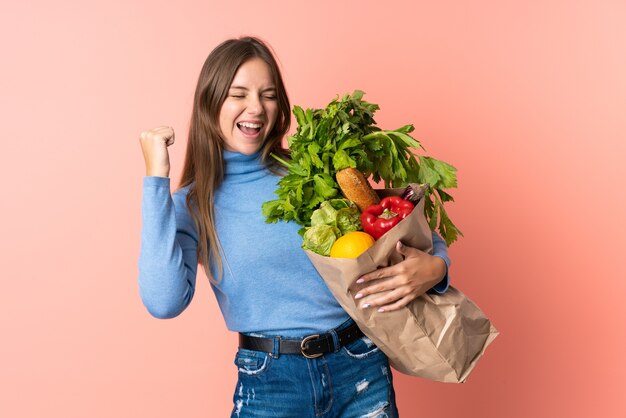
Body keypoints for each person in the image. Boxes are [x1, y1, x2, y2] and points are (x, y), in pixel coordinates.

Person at [138, 36, 451, 418]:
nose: (256, 108)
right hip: (270, 384)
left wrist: (436, 269)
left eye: (268, 95)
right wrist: (157, 178)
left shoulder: (313, 173)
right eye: (239, 94)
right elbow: (164, 301)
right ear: (210, 101)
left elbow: (403, 229)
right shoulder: (192, 203)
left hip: (360, 367)